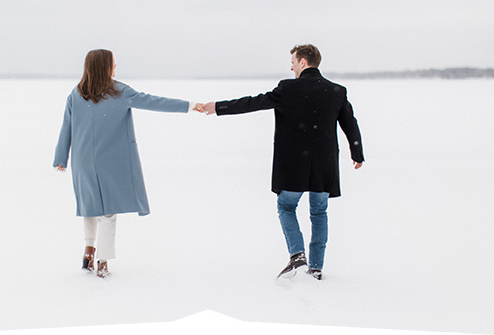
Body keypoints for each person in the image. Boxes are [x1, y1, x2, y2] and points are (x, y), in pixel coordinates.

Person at [196, 44, 364, 281]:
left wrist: (218, 108)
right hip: (323, 166)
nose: (291, 66)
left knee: (286, 206)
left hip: (293, 164)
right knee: (319, 212)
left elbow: (253, 103)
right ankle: (315, 267)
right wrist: (357, 152)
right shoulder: (336, 91)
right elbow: (350, 123)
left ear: (303, 63)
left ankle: (297, 254)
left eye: (293, 62)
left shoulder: (287, 88)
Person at [53, 49, 194, 279]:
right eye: (113, 63)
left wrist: (61, 157)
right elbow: (154, 102)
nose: (115, 66)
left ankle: (89, 249)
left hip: (83, 161)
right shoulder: (119, 91)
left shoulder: (77, 94)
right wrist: (190, 105)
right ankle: (103, 261)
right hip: (109, 161)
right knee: (108, 213)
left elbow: (66, 126)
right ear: (103, 66)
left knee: (90, 206)